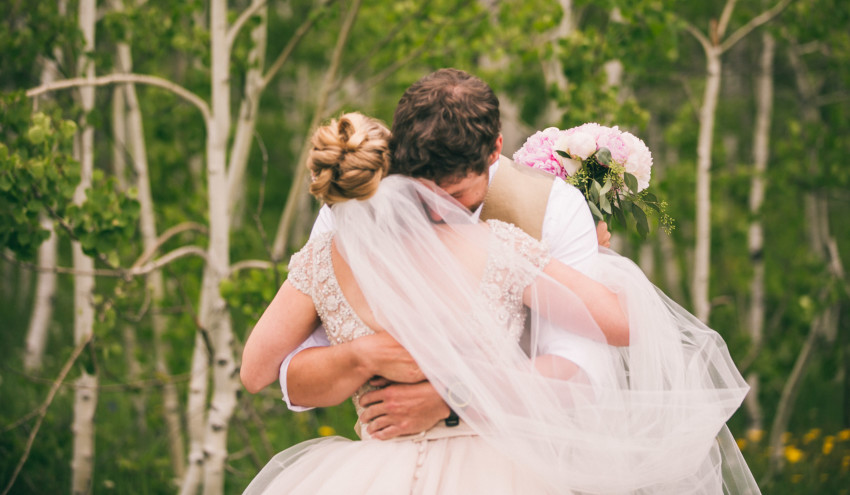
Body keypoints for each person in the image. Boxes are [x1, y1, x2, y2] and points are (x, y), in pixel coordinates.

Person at [240, 112, 758, 494]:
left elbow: (255, 370)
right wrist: (598, 264)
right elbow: (621, 325)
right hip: (498, 469)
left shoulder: (321, 260)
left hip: (369, 474)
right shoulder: (492, 245)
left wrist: (363, 356)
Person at [276, 69, 613, 441]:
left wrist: (454, 399)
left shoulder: (554, 207)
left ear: (495, 150)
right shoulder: (356, 207)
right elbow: (291, 372)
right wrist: (360, 356)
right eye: (420, 192)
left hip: (520, 454)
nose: (437, 211)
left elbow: (582, 370)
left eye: (455, 195)